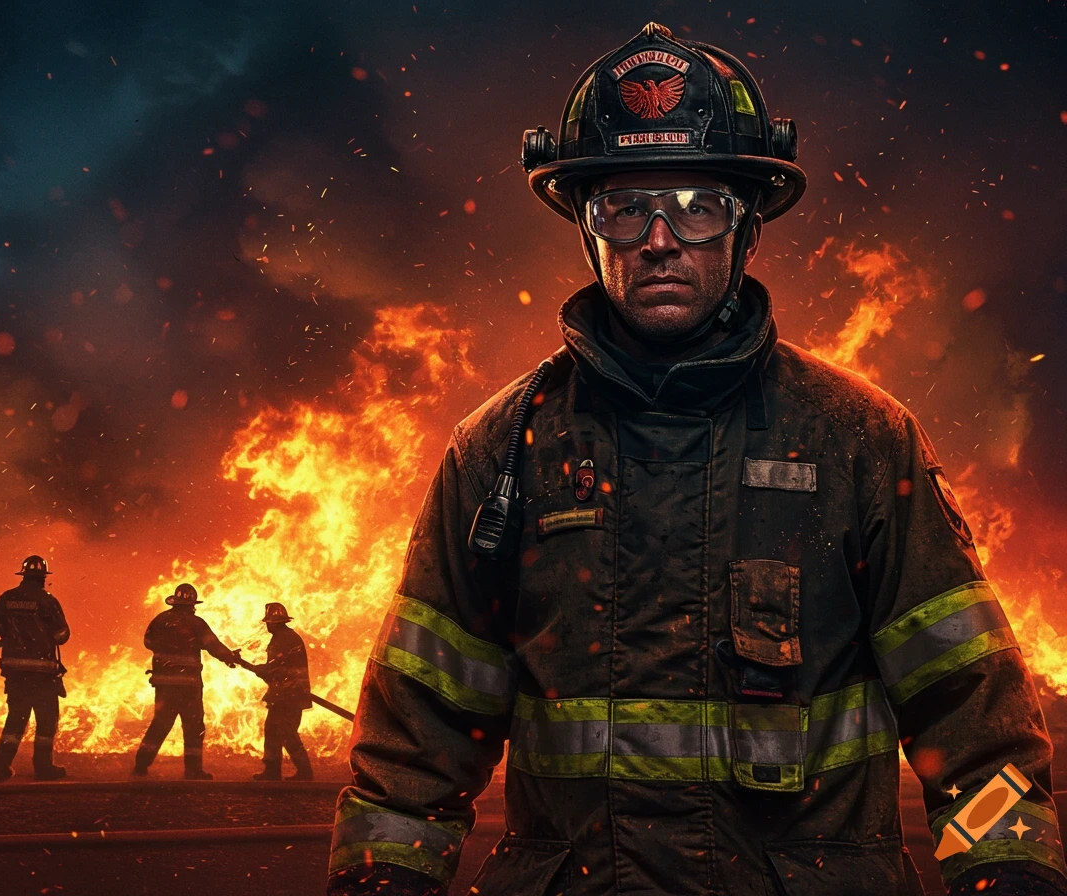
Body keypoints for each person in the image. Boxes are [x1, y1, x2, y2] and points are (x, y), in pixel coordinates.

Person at [327, 22, 1067, 896]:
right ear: (587, 228)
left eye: (697, 205)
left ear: (746, 226)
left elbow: (974, 720)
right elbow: (417, 738)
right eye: (625, 206)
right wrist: (381, 879)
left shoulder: (860, 440)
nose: (660, 238)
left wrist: (1011, 875)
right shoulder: (500, 451)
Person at [132, 583, 239, 780]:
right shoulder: (196, 623)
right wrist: (230, 657)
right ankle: (193, 770)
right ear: (191, 604)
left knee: (160, 724)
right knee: (193, 727)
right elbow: (213, 646)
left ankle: (141, 765)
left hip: (164, 685)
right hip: (188, 686)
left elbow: (148, 642)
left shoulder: (160, 620)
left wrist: (167, 649)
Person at [0, 555, 70, 782]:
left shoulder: (8, 598)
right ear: (43, 578)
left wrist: (11, 631)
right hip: (43, 676)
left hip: (17, 675)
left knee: (15, 721)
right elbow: (62, 635)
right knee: (45, 723)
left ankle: (1, 766)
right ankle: (43, 769)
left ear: (23, 576)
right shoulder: (48, 601)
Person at [247, 602, 313, 782]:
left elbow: (279, 667)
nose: (267, 625)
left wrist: (264, 670)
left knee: (287, 732)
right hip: (285, 694)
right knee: (274, 731)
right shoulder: (284, 637)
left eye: (268, 622)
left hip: (288, 695)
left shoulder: (284, 639)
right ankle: (272, 771)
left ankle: (304, 772)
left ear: (274, 623)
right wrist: (266, 671)